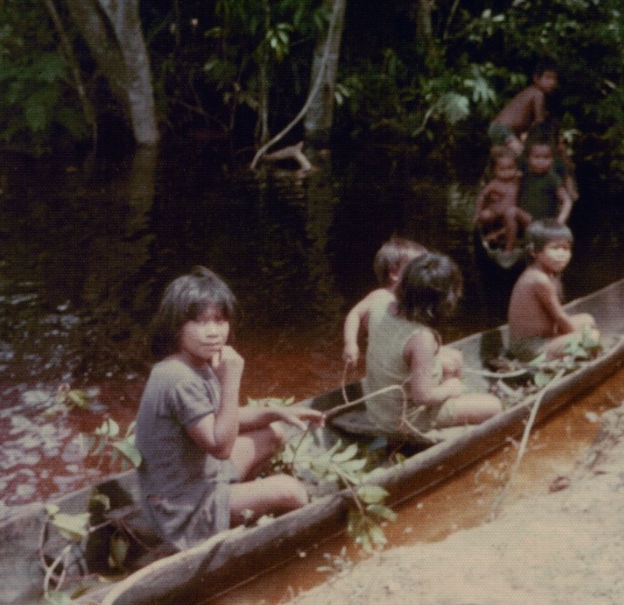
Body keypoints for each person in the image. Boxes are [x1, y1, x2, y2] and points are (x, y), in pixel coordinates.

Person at [134, 267, 325, 551]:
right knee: (292, 491)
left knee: (272, 432)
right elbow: (221, 447)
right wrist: (231, 378)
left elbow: (220, 420)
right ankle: (247, 529)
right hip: (182, 510)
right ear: (176, 327)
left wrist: (277, 412)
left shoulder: (194, 361)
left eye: (219, 321)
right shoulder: (178, 378)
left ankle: (238, 507)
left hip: (198, 480)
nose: (213, 332)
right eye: (200, 322)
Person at [362, 251, 502, 438]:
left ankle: (453, 407)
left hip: (378, 409)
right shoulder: (421, 338)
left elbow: (386, 339)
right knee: (495, 406)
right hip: (404, 420)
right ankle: (446, 417)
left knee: (452, 357)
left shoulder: (380, 304)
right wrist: (450, 388)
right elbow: (422, 397)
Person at [507, 219, 600, 362]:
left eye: (565, 248)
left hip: (541, 338)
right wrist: (581, 340)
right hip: (531, 348)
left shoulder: (545, 274)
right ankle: (554, 356)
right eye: (555, 248)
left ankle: (562, 348)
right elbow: (561, 318)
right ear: (534, 252)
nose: (561, 254)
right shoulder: (539, 279)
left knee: (588, 319)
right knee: (592, 336)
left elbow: (558, 320)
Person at [342, 236, 427, 368]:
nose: (425, 274)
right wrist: (351, 343)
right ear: (394, 273)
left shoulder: (414, 299)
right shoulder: (380, 296)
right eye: (418, 268)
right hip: (389, 360)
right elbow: (354, 315)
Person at [488, 57, 559, 156]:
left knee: (504, 158)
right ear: (536, 78)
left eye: (554, 78)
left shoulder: (530, 91)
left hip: (500, 128)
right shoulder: (538, 93)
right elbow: (539, 122)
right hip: (503, 130)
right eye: (548, 78)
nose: (552, 82)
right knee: (521, 156)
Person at [473, 144, 532, 252]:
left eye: (510, 168)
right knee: (485, 215)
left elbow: (527, 169)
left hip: (511, 217)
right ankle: (491, 233)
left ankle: (509, 249)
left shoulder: (517, 180)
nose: (507, 173)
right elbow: (482, 196)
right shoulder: (494, 184)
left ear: (515, 167)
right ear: (494, 171)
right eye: (502, 169)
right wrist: (477, 213)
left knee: (515, 218)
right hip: (496, 216)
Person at [518, 131, 573, 226]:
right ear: (528, 158)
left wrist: (560, 221)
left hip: (544, 223)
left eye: (546, 157)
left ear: (552, 159)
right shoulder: (524, 175)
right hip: (524, 220)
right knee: (511, 211)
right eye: (537, 157)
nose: (541, 162)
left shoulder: (552, 177)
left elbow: (567, 201)